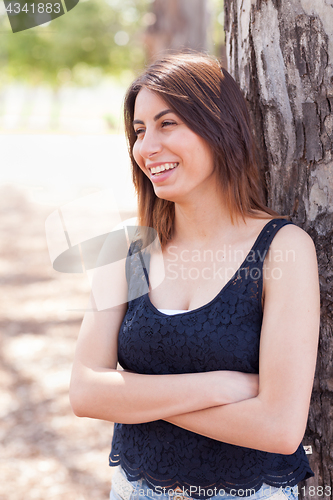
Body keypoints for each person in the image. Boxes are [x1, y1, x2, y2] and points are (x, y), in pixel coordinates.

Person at [69, 52, 320, 500]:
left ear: (221, 129)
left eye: (168, 124)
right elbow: (86, 392)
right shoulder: (124, 250)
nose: (147, 147)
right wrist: (217, 386)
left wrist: (136, 400)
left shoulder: (283, 248)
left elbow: (280, 427)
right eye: (140, 131)